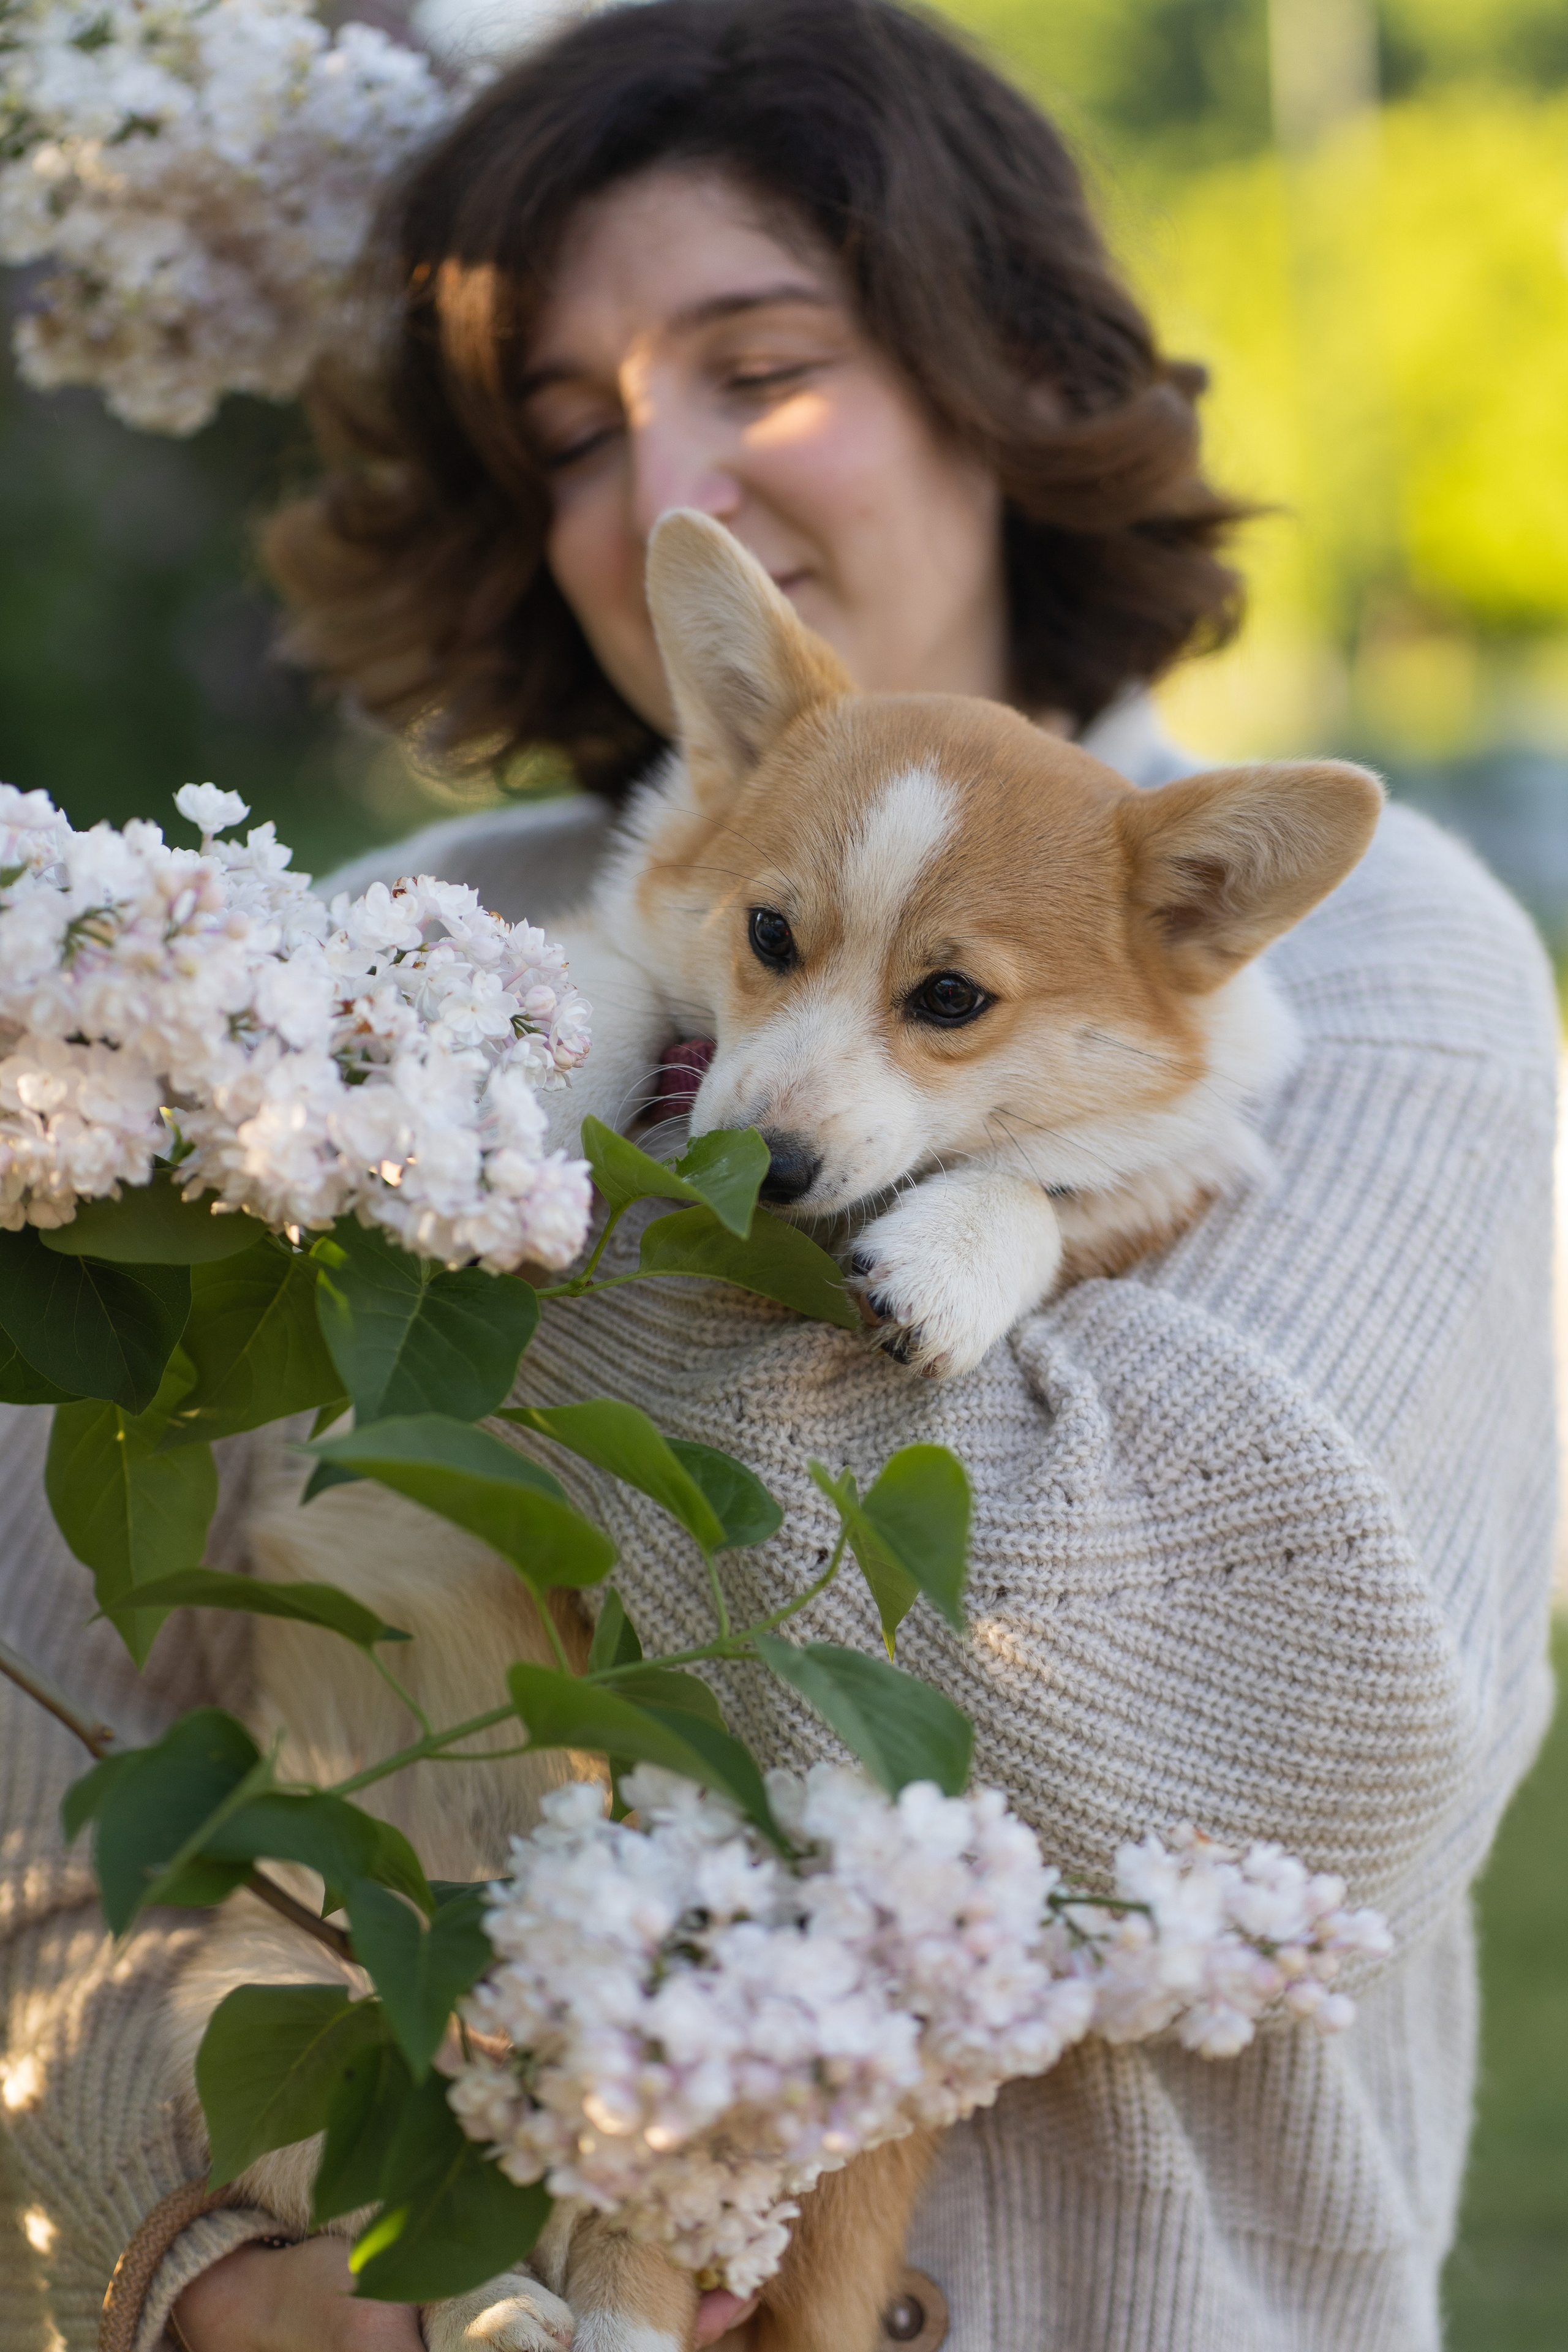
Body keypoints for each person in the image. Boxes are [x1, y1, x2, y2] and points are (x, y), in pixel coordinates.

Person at [0, 4, 1555, 2350]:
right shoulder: (393, 943)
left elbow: (1264, 1712)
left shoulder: (1393, 957)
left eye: (761, 363)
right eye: (569, 427)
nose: (663, 487)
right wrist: (218, 2271)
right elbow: (44, 1725)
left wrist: (526, 1206)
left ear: (996, 370)